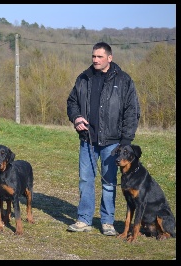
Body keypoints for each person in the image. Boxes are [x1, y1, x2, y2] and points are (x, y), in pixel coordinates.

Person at [66, 42, 140, 236]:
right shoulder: (84, 78)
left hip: (113, 142)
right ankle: (84, 219)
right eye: (93, 56)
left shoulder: (124, 80)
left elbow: (132, 111)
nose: (95, 60)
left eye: (99, 57)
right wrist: (76, 118)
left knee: (108, 182)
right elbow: (72, 102)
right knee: (85, 180)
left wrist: (126, 141)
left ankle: (107, 222)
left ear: (110, 57)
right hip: (88, 140)